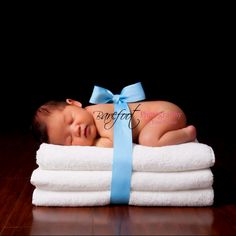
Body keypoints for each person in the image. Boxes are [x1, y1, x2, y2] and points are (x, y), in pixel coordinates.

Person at [32, 98, 196, 147]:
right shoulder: (93, 123)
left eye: (71, 120)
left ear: (75, 104)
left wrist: (96, 144)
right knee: (146, 137)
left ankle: (187, 134)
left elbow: (118, 143)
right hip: (163, 115)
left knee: (148, 139)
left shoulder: (98, 114)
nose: (77, 130)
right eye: (70, 140)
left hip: (167, 114)